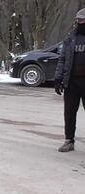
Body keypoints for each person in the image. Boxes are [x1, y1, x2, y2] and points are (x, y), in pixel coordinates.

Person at [55, 8, 85, 152]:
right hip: (72, 82)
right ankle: (69, 141)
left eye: (81, 20)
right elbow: (62, 59)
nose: (79, 23)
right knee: (69, 112)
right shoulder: (71, 38)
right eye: (77, 20)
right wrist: (58, 78)